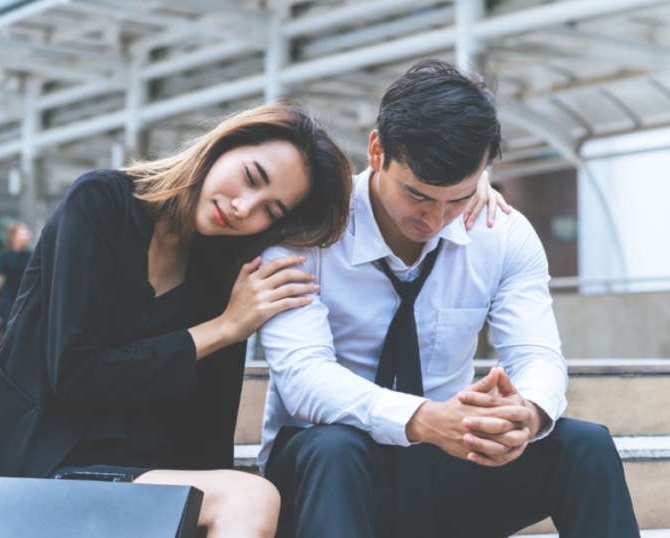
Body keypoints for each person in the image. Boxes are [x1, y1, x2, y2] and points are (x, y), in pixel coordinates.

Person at [0, 103, 504, 537]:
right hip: (22, 466)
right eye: (251, 177)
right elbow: (74, 375)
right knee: (249, 495)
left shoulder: (227, 272)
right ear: (224, 144)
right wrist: (223, 328)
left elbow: (205, 433)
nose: (245, 207)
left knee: (247, 497)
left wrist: (456, 192)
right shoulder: (102, 202)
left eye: (271, 209)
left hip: (124, 483)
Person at [257, 61, 640, 538]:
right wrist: (420, 418)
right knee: (337, 448)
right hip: (325, 477)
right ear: (377, 151)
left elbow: (538, 355)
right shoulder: (307, 235)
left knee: (584, 445)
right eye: (418, 194)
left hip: (443, 465)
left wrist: (527, 413)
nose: (436, 219)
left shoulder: (501, 235)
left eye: (456, 199)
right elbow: (303, 378)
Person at [0, 221, 33, 344]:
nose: (28, 235)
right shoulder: (5, 256)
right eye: (24, 232)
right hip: (9, 299)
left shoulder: (32, 255)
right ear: (13, 235)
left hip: (26, 298)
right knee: (9, 331)